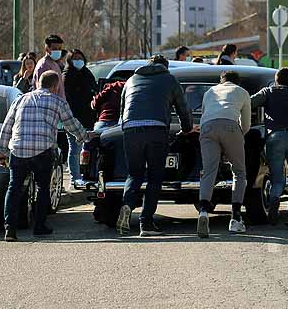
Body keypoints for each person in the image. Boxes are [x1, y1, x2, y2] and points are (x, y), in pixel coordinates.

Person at [0, 70, 89, 241]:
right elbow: (71, 124)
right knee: (43, 188)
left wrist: (1, 152)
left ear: (39, 83)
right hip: (42, 151)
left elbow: (7, 126)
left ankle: (10, 230)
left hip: (18, 149)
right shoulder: (58, 101)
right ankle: (39, 226)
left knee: (14, 188)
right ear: (55, 86)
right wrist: (84, 136)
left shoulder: (20, 99)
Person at [115, 55, 194, 237]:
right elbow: (182, 108)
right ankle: (146, 223)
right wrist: (187, 129)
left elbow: (122, 110)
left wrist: (125, 128)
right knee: (155, 176)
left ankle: (127, 205)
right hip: (156, 130)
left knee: (134, 174)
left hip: (130, 129)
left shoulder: (131, 80)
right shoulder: (169, 79)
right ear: (165, 67)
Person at [197, 70, 251, 237]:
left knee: (208, 171)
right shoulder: (242, 92)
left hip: (207, 128)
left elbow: (204, 115)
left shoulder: (209, 92)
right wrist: (236, 139)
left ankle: (204, 211)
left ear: (221, 81)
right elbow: (246, 123)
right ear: (237, 81)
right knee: (239, 172)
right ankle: (235, 217)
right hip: (230, 125)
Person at [251, 67, 288, 230]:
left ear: (276, 80)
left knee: (277, 178)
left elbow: (250, 102)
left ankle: (275, 197)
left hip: (274, 137)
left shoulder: (268, 92)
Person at [62, 49, 97, 187]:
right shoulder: (68, 75)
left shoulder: (87, 73)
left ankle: (82, 175)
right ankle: (74, 178)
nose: (78, 60)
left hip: (88, 117)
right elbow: (68, 97)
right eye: (75, 58)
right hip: (73, 118)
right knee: (75, 149)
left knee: (83, 149)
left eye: (80, 57)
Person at [33, 35, 66, 101]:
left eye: (59, 48)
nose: (58, 51)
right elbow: (42, 92)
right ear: (47, 49)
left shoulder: (54, 63)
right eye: (54, 48)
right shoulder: (43, 65)